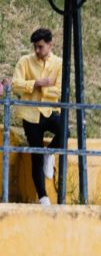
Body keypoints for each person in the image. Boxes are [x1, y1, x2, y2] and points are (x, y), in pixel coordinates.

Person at [12, 28, 64, 206]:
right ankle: (43, 198)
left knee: (65, 132)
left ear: (50, 45)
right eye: (35, 47)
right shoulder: (25, 61)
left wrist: (44, 90)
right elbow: (15, 85)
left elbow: (60, 89)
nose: (37, 50)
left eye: (40, 46)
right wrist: (36, 83)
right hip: (30, 113)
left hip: (50, 111)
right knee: (36, 154)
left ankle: (50, 153)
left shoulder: (59, 63)